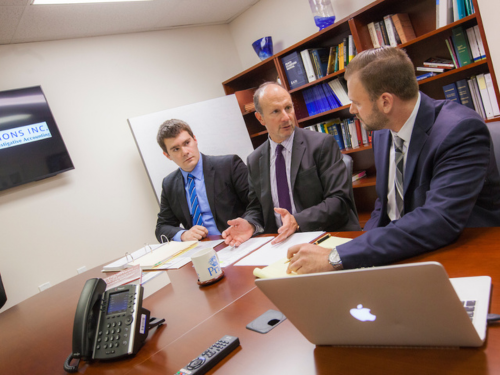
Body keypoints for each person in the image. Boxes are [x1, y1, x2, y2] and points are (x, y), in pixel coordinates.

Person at [287, 47, 500, 274]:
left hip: (463, 252)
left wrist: (337, 256)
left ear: (385, 102)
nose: (351, 110)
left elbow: (439, 219)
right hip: (403, 251)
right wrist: (358, 249)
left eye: (356, 102)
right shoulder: (382, 132)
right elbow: (386, 204)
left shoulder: (460, 131)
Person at [222, 82, 360, 246]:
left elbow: (340, 201)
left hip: (323, 235)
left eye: (288, 108)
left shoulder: (322, 144)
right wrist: (250, 223)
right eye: (275, 111)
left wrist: (297, 220)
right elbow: (256, 208)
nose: (286, 117)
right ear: (260, 118)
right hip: (280, 242)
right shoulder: (254, 159)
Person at [155, 119, 250, 242]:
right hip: (201, 250)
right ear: (167, 155)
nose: (185, 152)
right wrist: (184, 235)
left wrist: (246, 225)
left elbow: (256, 205)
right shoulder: (169, 184)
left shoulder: (229, 165)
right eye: (175, 149)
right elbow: (162, 227)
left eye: (187, 143)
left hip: (238, 241)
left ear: (195, 140)